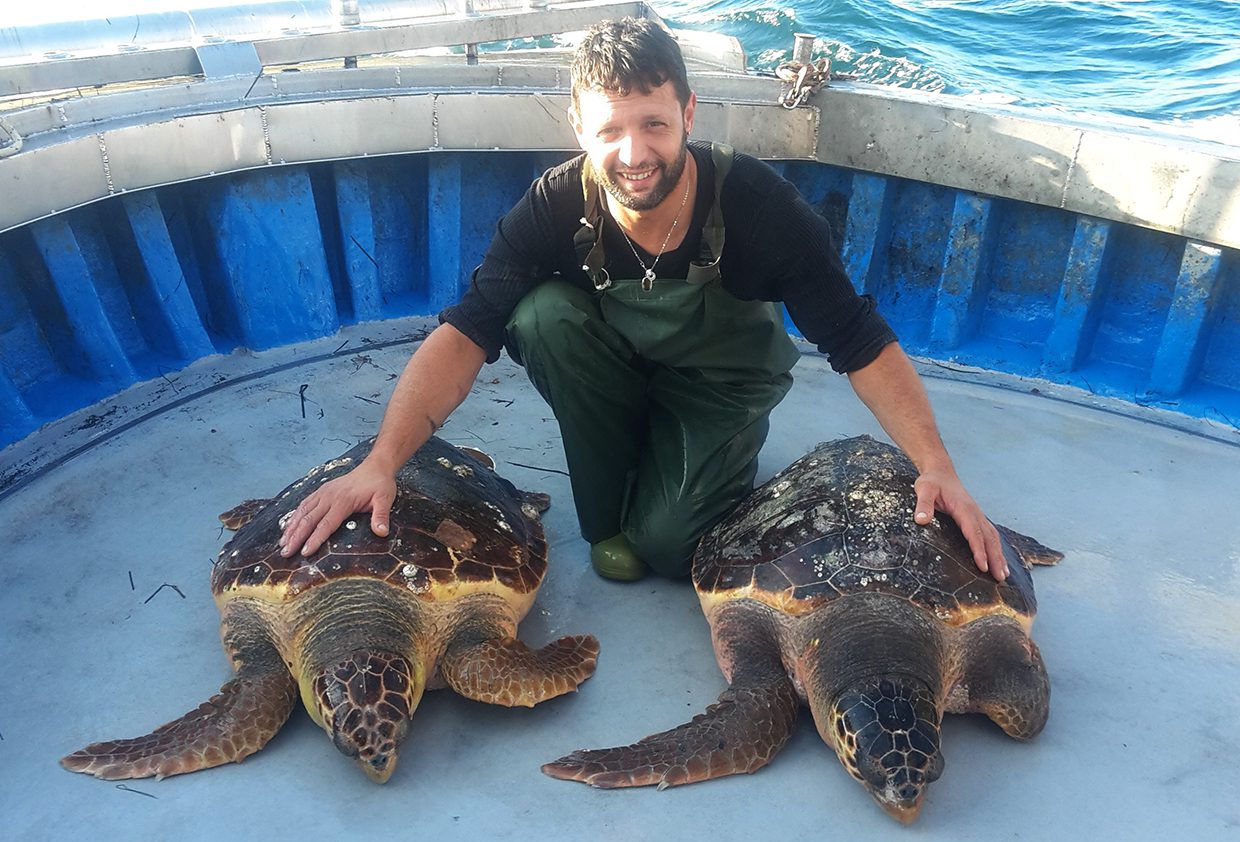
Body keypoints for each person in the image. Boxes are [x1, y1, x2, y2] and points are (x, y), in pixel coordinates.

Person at [279, 17, 1009, 583]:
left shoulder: (760, 207)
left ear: (688, 111)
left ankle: (713, 454)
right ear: (578, 130)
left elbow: (858, 340)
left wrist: (936, 465)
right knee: (540, 318)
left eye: (654, 124)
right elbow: (467, 333)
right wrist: (381, 461)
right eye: (611, 131)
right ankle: (638, 452)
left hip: (720, 383)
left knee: (664, 549)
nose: (634, 154)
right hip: (615, 371)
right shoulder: (554, 205)